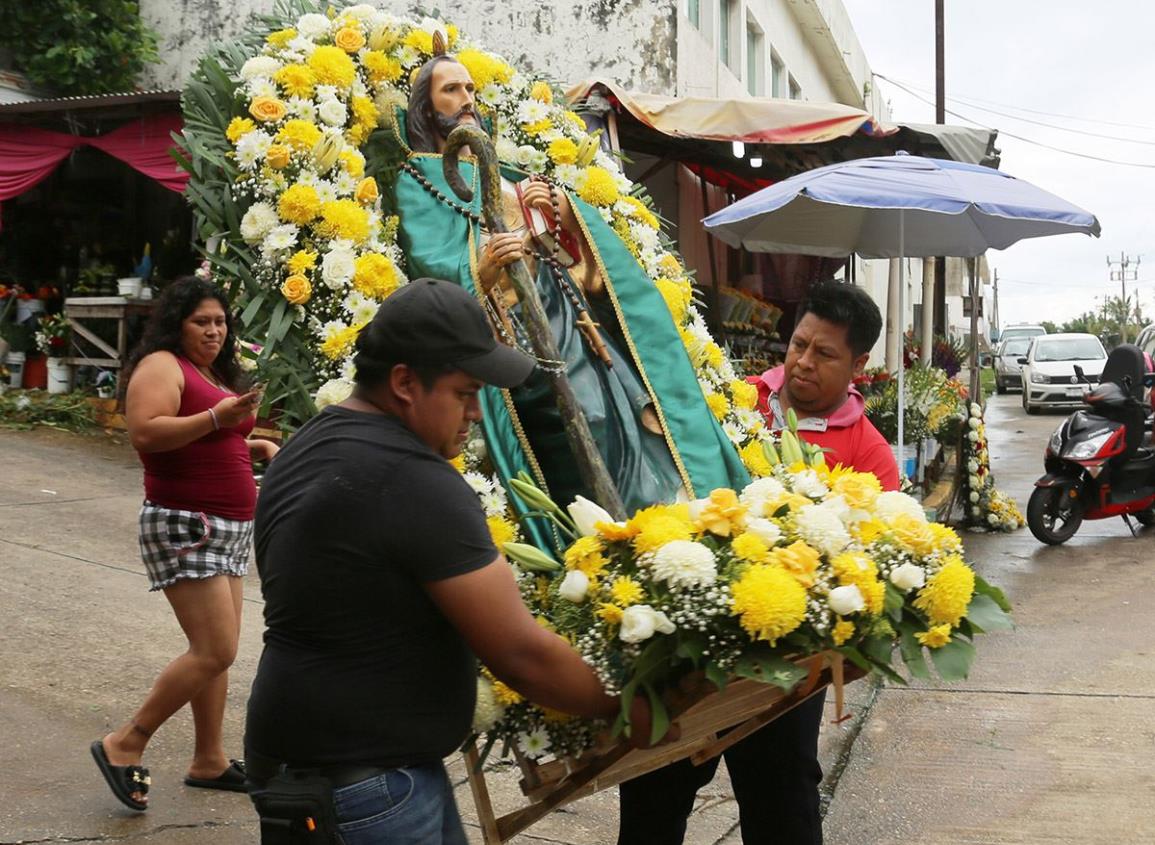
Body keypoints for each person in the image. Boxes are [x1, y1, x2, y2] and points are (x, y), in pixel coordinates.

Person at [244, 279, 644, 844]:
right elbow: (521, 654)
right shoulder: (413, 479)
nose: (477, 412)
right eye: (464, 392)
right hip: (370, 790)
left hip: (306, 763)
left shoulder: (310, 442)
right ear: (405, 381)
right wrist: (636, 706)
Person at [390, 54, 748, 534]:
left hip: (574, 319)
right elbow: (432, 263)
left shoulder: (506, 174)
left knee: (637, 421)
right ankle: (616, 534)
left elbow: (568, 260)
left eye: (471, 89)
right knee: (586, 419)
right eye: (451, 90)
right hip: (518, 335)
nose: (467, 99)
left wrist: (561, 212)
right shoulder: (419, 181)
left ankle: (663, 517)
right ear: (425, 109)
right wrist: (488, 263)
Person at [617, 280, 899, 845]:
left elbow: (870, 577)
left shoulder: (871, 458)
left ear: (859, 364)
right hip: (685, 650)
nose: (802, 363)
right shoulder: (734, 403)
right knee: (653, 794)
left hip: (783, 675)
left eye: (824, 354)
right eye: (798, 345)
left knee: (782, 807)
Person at [90, 276, 279, 812]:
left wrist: (252, 439)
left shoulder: (207, 372)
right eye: (203, 321)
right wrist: (222, 415)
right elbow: (146, 432)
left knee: (215, 655)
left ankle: (209, 760)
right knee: (216, 649)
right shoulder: (161, 366)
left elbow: (210, 435)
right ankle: (125, 743)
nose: (214, 330)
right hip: (185, 524)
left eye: (220, 321)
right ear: (178, 323)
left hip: (227, 527)